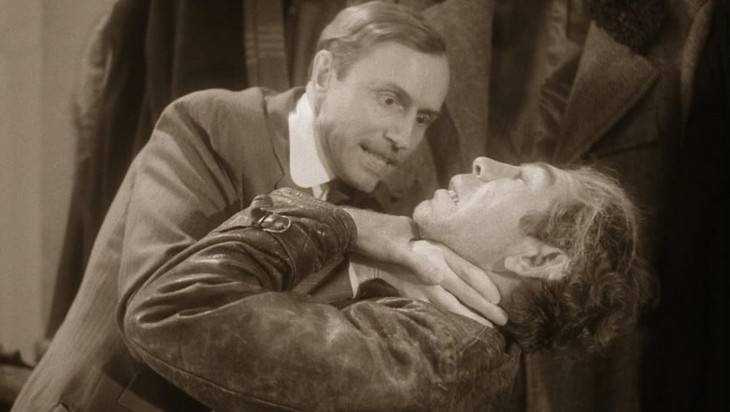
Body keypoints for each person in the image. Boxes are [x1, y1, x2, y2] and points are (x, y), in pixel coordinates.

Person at [14, 3, 502, 411]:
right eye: (390, 100)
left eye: (422, 118)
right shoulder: (210, 124)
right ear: (325, 74)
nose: (404, 137)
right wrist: (353, 236)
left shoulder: (366, 195)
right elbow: (159, 302)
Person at [121, 156, 655, 411]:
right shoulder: (454, 348)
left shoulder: (427, 360)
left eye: (520, 178)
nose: (485, 163)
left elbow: (171, 309)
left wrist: (348, 225)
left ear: (538, 258)